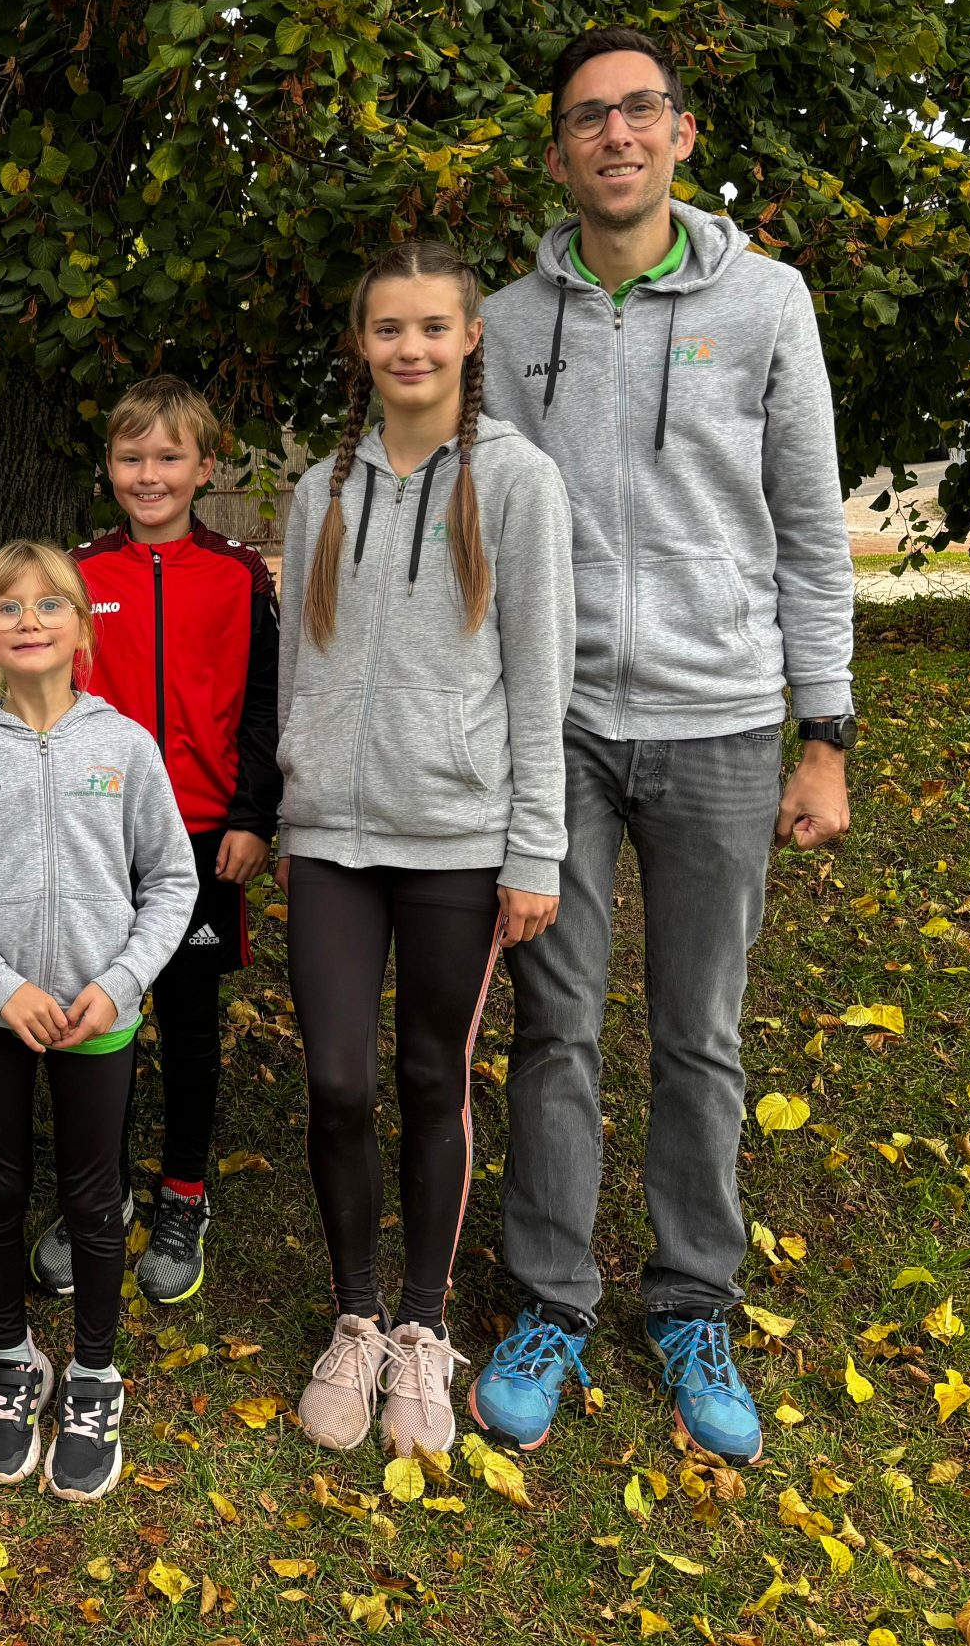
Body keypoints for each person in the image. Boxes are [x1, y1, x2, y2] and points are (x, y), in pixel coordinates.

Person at [469, 27, 856, 1463]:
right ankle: (551, 1301)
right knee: (555, 1025)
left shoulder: (767, 303)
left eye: (641, 112)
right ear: (559, 150)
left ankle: (693, 1295)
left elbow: (813, 530)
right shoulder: (510, 325)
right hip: (559, 729)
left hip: (722, 724)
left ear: (682, 135)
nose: (616, 136)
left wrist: (825, 734)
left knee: (700, 1034)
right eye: (587, 118)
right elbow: (488, 541)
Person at [273, 242, 575, 1458]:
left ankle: (419, 1330)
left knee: (429, 1078)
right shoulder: (317, 491)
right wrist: (295, 804)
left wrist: (535, 850)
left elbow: (538, 669)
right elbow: (302, 656)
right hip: (333, 842)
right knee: (337, 1079)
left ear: (467, 341)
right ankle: (351, 1318)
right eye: (386, 328)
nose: (409, 348)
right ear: (361, 345)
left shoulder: (517, 483)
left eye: (431, 328)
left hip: (458, 836)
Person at [0, 541, 198, 1503]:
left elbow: (171, 882)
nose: (29, 620)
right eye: (7, 608)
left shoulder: (124, 745)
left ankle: (94, 1375)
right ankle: (13, 1357)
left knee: (93, 1198)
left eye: (50, 605)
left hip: (97, 1017)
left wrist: (117, 984)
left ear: (82, 629)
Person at [25, 376, 280, 1305]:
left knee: (188, 1021)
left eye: (169, 456)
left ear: (205, 465)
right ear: (109, 466)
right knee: (99, 1018)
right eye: (131, 457)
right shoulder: (81, 578)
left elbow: (264, 707)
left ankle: (184, 1192)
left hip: (210, 837)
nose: (149, 474)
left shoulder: (241, 576)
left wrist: (254, 817)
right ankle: (102, 1194)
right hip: (101, 836)